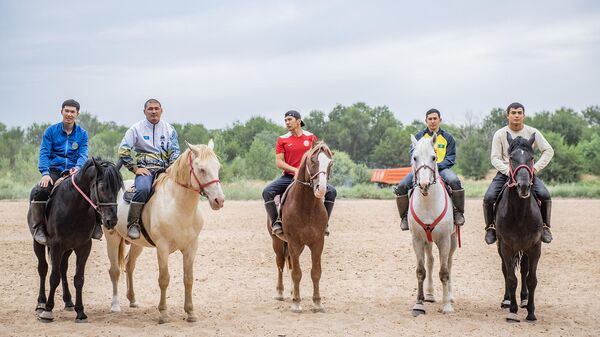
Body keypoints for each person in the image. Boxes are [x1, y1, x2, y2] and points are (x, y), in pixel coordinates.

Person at [29, 99, 103, 244]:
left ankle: (96, 224)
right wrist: (45, 173)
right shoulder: (50, 131)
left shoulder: (82, 134)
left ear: (77, 113)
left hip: (74, 171)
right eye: (66, 111)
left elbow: (83, 153)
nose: (69, 114)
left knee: (94, 189)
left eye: (72, 112)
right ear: (61, 111)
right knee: (40, 190)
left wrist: (78, 167)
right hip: (54, 171)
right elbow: (44, 153)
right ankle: (39, 227)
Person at [483, 102, 554, 244]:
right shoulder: (500, 134)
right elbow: (495, 158)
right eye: (513, 113)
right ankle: (490, 228)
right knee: (489, 198)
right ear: (508, 115)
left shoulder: (533, 132)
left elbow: (548, 150)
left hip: (527, 174)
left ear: (523, 115)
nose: (516, 115)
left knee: (545, 195)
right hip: (505, 173)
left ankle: (545, 227)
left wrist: (535, 168)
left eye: (519, 113)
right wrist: (508, 171)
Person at [262, 110, 337, 235]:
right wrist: (295, 170)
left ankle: (324, 224)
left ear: (298, 121)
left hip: (309, 178)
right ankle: (276, 223)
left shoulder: (311, 137)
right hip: (288, 177)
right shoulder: (282, 139)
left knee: (332, 192)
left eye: (289, 120)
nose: (287, 122)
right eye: (285, 120)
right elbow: (279, 162)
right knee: (267, 192)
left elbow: (316, 157)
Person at [118, 98, 180, 239]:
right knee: (143, 190)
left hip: (166, 170)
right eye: (150, 109)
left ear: (161, 111)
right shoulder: (136, 129)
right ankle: (133, 223)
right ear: (144, 111)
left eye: (156, 109)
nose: (153, 111)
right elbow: (123, 150)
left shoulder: (169, 129)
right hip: (145, 170)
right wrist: (135, 169)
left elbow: (175, 151)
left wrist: (171, 167)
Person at [394, 108, 465, 230]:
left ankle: (458, 212)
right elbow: (413, 156)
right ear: (426, 121)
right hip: (421, 169)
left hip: (442, 169)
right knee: (401, 186)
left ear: (440, 120)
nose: (432, 121)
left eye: (435, 119)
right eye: (430, 119)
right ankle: (405, 217)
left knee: (454, 181)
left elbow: (451, 158)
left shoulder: (448, 138)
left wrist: (437, 166)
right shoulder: (419, 137)